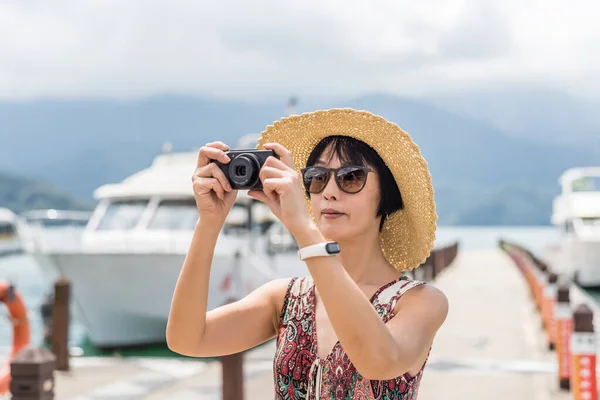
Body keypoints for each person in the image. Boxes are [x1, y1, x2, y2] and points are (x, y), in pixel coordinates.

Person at [166, 108, 448, 399]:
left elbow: (378, 361)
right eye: (317, 178)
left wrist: (303, 227)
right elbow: (186, 339)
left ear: (387, 196)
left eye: (350, 178)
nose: (329, 192)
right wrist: (209, 222)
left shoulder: (419, 302)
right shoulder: (286, 299)